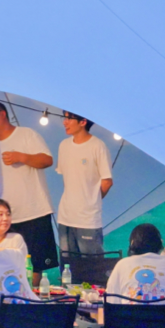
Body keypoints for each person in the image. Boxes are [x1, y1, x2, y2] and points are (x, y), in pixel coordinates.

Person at [0, 101, 56, 285]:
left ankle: (31, 298)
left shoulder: (26, 134)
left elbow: (47, 160)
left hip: (34, 211)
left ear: (3, 114)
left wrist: (22, 157)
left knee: (35, 264)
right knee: (7, 263)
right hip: (6, 218)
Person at [56, 110, 113, 256]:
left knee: (91, 264)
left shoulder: (98, 146)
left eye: (69, 119)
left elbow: (107, 181)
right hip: (65, 217)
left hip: (88, 220)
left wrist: (91, 200)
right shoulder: (64, 145)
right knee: (68, 264)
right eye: (64, 118)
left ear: (83, 122)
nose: (65, 122)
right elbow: (67, 179)